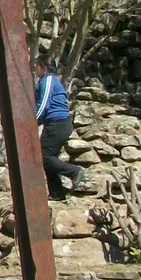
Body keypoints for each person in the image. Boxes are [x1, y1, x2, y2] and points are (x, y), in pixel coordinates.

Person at [35, 59, 88, 199]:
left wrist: (33, 122)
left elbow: (44, 103)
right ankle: (57, 193)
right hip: (59, 124)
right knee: (48, 158)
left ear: (44, 67)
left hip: (57, 124)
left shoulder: (48, 80)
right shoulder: (50, 81)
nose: (35, 70)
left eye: (36, 66)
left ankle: (74, 171)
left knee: (44, 157)